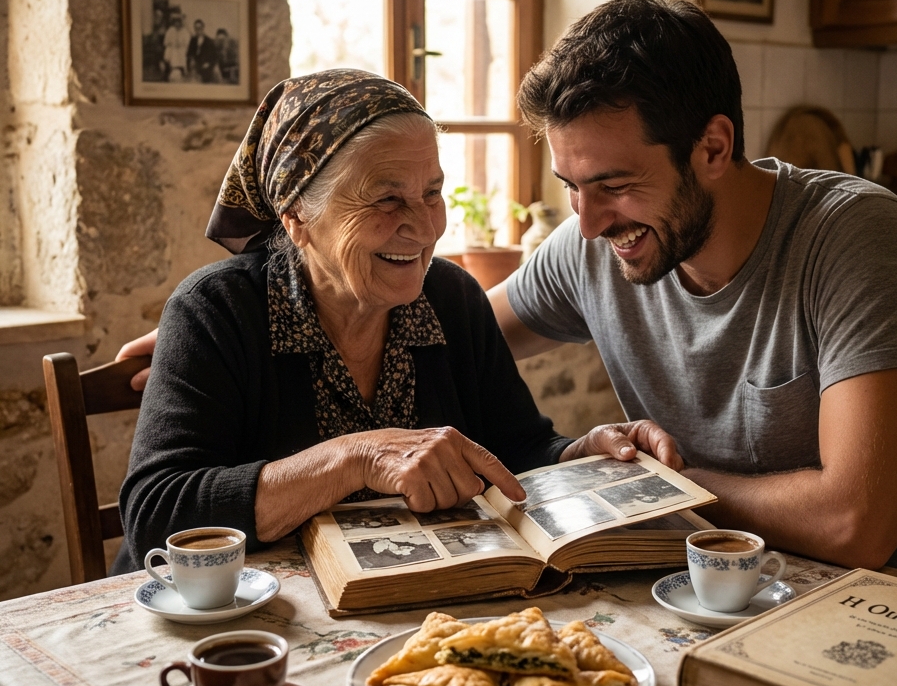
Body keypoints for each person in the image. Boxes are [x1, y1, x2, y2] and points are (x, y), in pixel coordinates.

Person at [112, 69, 676, 573]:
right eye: (386, 199)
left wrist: (581, 454)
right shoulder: (217, 312)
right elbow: (155, 516)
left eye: (432, 193)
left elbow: (517, 449)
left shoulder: (451, 298)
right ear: (297, 217)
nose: (424, 228)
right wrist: (355, 458)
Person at [488, 0, 897, 583]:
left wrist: (660, 487)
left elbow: (855, 524)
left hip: (886, 609)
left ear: (713, 147)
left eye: (615, 185)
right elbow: (460, 336)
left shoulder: (855, 235)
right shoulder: (592, 246)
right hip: (705, 593)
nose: (588, 223)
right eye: (571, 186)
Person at [162, 10, 189, 82]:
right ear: (174, 23)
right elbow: (166, 42)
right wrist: (172, 43)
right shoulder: (171, 30)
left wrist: (180, 44)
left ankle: (181, 69)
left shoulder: (184, 31)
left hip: (181, 48)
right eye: (175, 22)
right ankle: (169, 69)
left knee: (181, 51)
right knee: (169, 50)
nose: (177, 24)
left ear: (181, 23)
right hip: (172, 48)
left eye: (178, 22)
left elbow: (187, 43)